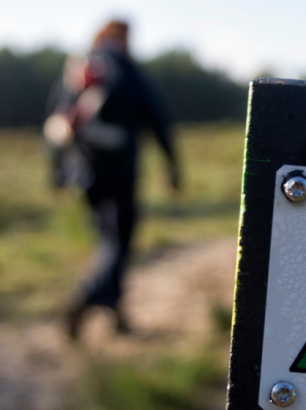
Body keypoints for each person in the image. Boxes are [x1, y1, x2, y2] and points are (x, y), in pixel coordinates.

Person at [43, 20, 179, 339]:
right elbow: (158, 122)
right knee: (117, 242)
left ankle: (116, 312)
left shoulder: (76, 72)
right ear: (123, 38)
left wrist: (57, 172)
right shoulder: (128, 74)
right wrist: (173, 167)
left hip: (84, 175)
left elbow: (56, 124)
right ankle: (86, 297)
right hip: (120, 173)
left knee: (107, 240)